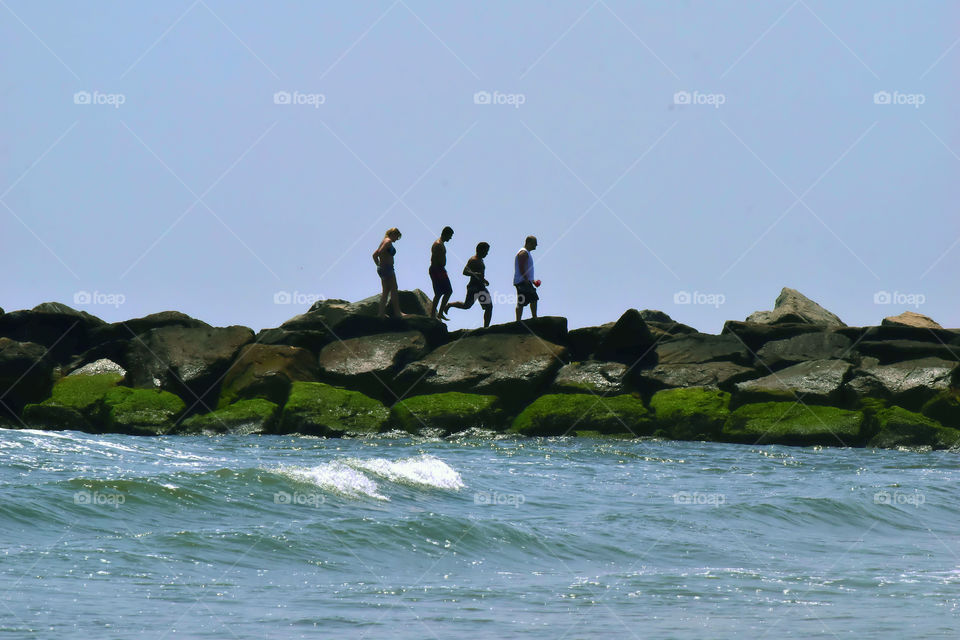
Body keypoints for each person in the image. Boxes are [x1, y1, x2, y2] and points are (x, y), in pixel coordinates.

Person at [444, 242, 493, 327]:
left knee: (489, 307)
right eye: (486, 251)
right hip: (473, 287)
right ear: (480, 250)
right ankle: (449, 305)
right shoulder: (473, 260)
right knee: (466, 306)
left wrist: (484, 280)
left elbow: (479, 274)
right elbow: (465, 271)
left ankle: (486, 327)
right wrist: (475, 274)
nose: (487, 253)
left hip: (481, 287)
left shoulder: (481, 260)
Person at [372, 227, 408, 319]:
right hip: (387, 269)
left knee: (386, 291)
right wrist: (383, 264)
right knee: (394, 289)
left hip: (383, 269)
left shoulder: (384, 241)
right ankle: (398, 313)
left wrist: (379, 265)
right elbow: (379, 252)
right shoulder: (388, 241)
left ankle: (381, 313)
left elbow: (374, 255)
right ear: (393, 234)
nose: (397, 239)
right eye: (397, 237)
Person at [429, 226, 454, 320]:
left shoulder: (441, 243)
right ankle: (433, 315)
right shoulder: (438, 244)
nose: (450, 238)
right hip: (437, 270)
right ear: (445, 234)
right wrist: (439, 269)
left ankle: (439, 313)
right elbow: (434, 259)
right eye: (450, 235)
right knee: (441, 293)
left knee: (445, 292)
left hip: (439, 269)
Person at [514, 235, 540, 321]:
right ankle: (533, 317)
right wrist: (525, 278)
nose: (536, 245)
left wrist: (533, 281)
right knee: (533, 298)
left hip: (523, 281)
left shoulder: (526, 253)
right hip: (522, 281)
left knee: (524, 300)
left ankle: (519, 320)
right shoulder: (523, 252)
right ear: (529, 243)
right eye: (535, 243)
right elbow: (521, 266)